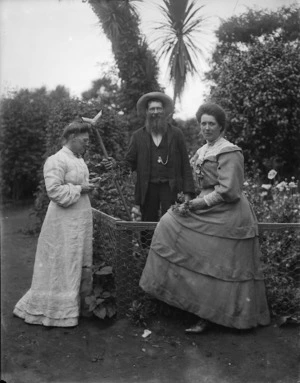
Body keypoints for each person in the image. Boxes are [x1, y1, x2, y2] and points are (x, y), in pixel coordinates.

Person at [139, 102, 271, 332]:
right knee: (170, 224)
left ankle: (217, 317)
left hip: (227, 211)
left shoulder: (229, 151)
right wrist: (185, 197)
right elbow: (195, 182)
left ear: (221, 127)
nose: (207, 128)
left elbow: (229, 191)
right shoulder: (202, 151)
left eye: (212, 124)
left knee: (217, 265)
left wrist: (196, 204)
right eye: (203, 124)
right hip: (206, 207)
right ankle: (183, 302)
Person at [13, 120, 97, 327]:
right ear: (72, 138)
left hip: (79, 220)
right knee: (62, 261)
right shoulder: (55, 160)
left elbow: (78, 183)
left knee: (76, 259)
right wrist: (80, 189)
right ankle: (53, 310)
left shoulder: (78, 159)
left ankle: (75, 307)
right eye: (84, 140)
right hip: (63, 222)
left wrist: (89, 185)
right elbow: (55, 191)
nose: (86, 144)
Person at [102, 91, 195, 225]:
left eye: (159, 108)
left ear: (164, 111)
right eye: (152, 109)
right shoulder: (138, 136)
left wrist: (188, 192)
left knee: (172, 224)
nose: (155, 112)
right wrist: (116, 165)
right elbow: (129, 162)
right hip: (147, 189)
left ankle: (169, 247)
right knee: (146, 224)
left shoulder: (176, 134)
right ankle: (147, 247)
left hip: (171, 188)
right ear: (146, 112)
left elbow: (185, 165)